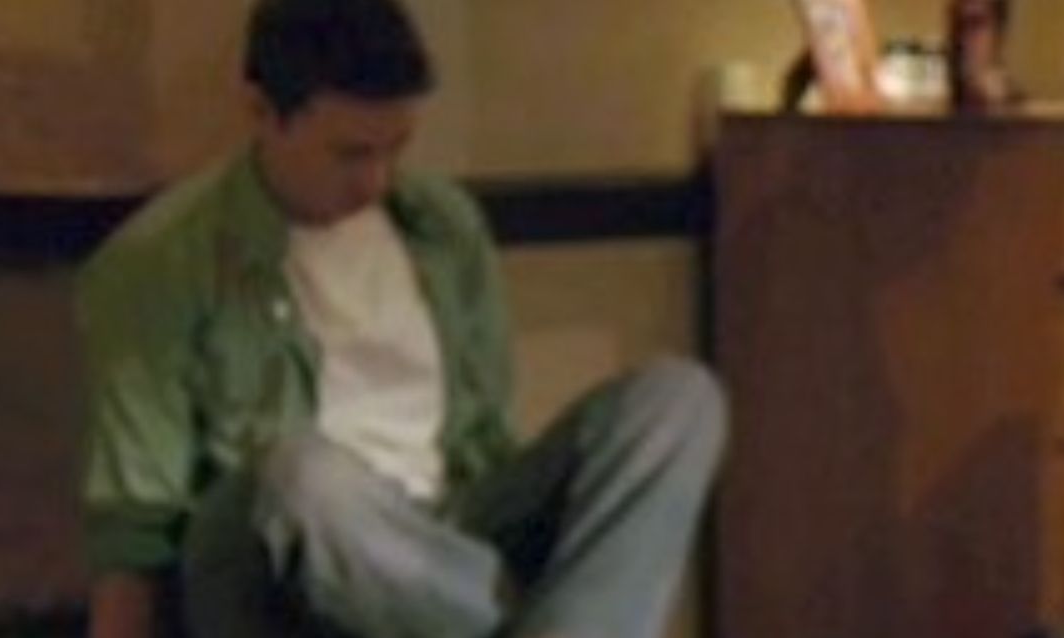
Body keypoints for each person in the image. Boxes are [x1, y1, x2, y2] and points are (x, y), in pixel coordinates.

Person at [77, 1, 726, 636]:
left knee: (678, 400)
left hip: (442, 538)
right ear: (261, 112)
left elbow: (489, 442)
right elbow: (135, 528)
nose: (376, 181)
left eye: (396, 150)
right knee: (303, 476)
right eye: (350, 154)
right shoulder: (161, 260)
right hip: (281, 551)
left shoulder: (443, 227)